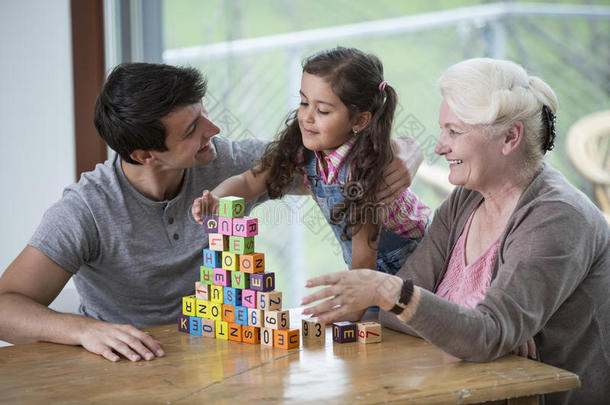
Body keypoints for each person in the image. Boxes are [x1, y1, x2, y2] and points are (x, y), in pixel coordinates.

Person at [0, 62, 422, 362]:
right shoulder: (85, 211)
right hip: (134, 366)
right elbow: (5, 307)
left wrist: (405, 152)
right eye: (192, 130)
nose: (214, 131)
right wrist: (82, 330)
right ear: (146, 154)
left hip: (227, 355)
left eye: (203, 113)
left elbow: (340, 157)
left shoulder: (225, 160)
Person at [302, 58, 609, 404]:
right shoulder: (467, 199)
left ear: (510, 137)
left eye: (454, 131)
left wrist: (393, 292)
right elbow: (397, 315)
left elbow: (474, 333)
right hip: (468, 389)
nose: (439, 146)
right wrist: (468, 327)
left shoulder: (558, 217)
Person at [192, 47, 430, 321]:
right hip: (368, 272)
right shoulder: (304, 150)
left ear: (359, 120)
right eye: (304, 103)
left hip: (415, 268)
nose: (306, 117)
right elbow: (249, 181)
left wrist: (347, 315)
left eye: (323, 110)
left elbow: (365, 253)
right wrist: (215, 198)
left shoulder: (364, 171)